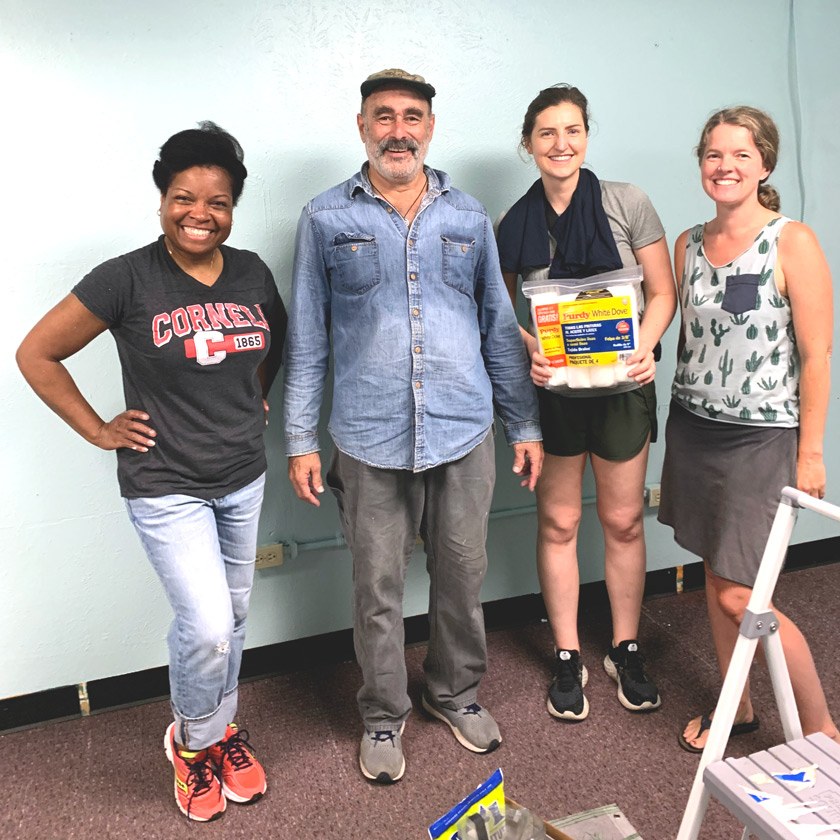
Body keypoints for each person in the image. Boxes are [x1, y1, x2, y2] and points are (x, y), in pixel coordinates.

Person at [16, 122, 287, 821]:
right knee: (204, 625)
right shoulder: (126, 278)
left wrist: (258, 390)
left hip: (243, 474)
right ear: (162, 199)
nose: (201, 213)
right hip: (165, 484)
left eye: (218, 201)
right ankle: (193, 745)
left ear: (234, 207)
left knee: (233, 617)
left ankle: (220, 730)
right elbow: (36, 354)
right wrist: (98, 429)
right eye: (184, 197)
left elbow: (273, 340)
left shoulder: (253, 270)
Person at [283, 68, 543, 784]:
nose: (399, 130)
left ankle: (455, 695)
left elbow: (498, 325)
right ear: (362, 126)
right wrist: (301, 439)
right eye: (383, 116)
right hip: (368, 435)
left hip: (464, 426)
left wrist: (524, 424)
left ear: (430, 127)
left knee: (463, 574)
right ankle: (382, 714)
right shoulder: (325, 218)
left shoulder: (468, 216)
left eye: (412, 117)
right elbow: (307, 339)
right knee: (378, 586)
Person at [657, 106, 838, 752]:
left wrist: (810, 451)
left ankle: (821, 728)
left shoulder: (792, 241)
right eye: (713, 154)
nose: (725, 166)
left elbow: (817, 355)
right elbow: (669, 333)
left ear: (764, 164)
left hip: (760, 441)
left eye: (740, 154)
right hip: (694, 429)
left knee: (742, 592)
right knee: (715, 575)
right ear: (701, 165)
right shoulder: (687, 243)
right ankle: (738, 709)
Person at [496, 84, 676, 722]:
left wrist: (646, 346)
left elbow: (662, 292)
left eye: (572, 130)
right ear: (528, 145)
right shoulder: (514, 224)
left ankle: (625, 647)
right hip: (556, 398)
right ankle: (568, 653)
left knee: (625, 522)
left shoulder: (627, 202)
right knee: (560, 524)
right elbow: (492, 311)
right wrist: (527, 349)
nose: (561, 144)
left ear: (587, 137)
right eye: (546, 133)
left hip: (625, 391)